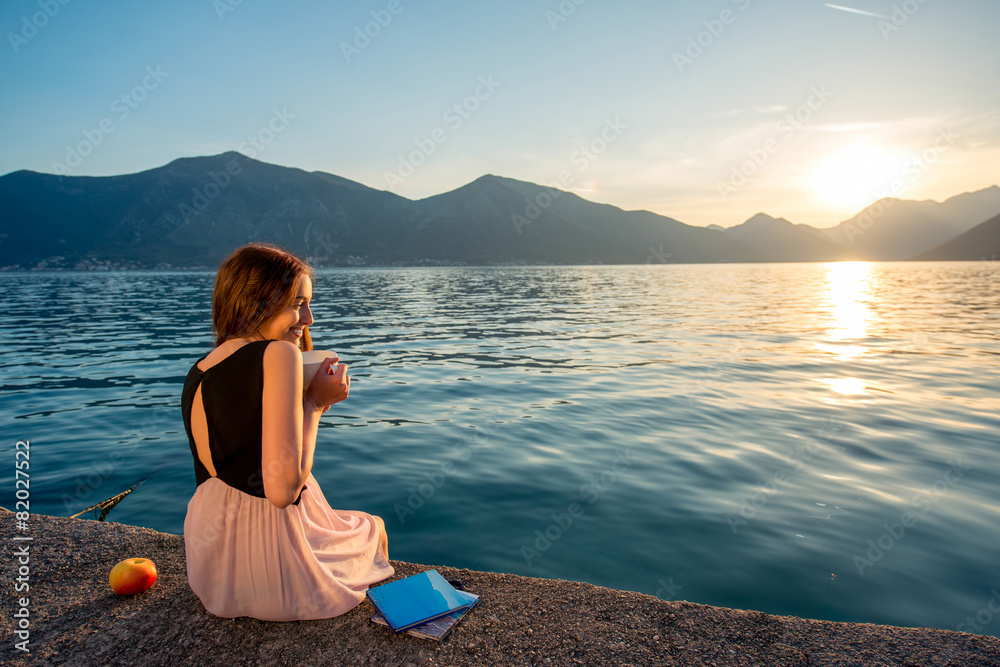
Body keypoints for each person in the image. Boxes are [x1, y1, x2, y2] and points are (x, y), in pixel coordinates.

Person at [180, 242, 392, 621]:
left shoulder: (202, 368)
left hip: (211, 566)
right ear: (256, 299)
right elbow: (282, 492)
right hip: (271, 567)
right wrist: (314, 404)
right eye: (297, 303)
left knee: (354, 525)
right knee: (372, 528)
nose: (308, 318)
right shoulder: (279, 355)